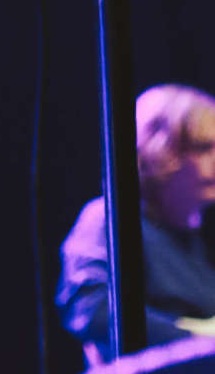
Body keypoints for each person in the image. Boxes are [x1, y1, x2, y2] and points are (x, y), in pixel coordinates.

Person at [57, 84, 215, 366]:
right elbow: (89, 308)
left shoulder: (197, 232)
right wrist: (194, 340)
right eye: (204, 148)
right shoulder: (106, 219)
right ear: (161, 152)